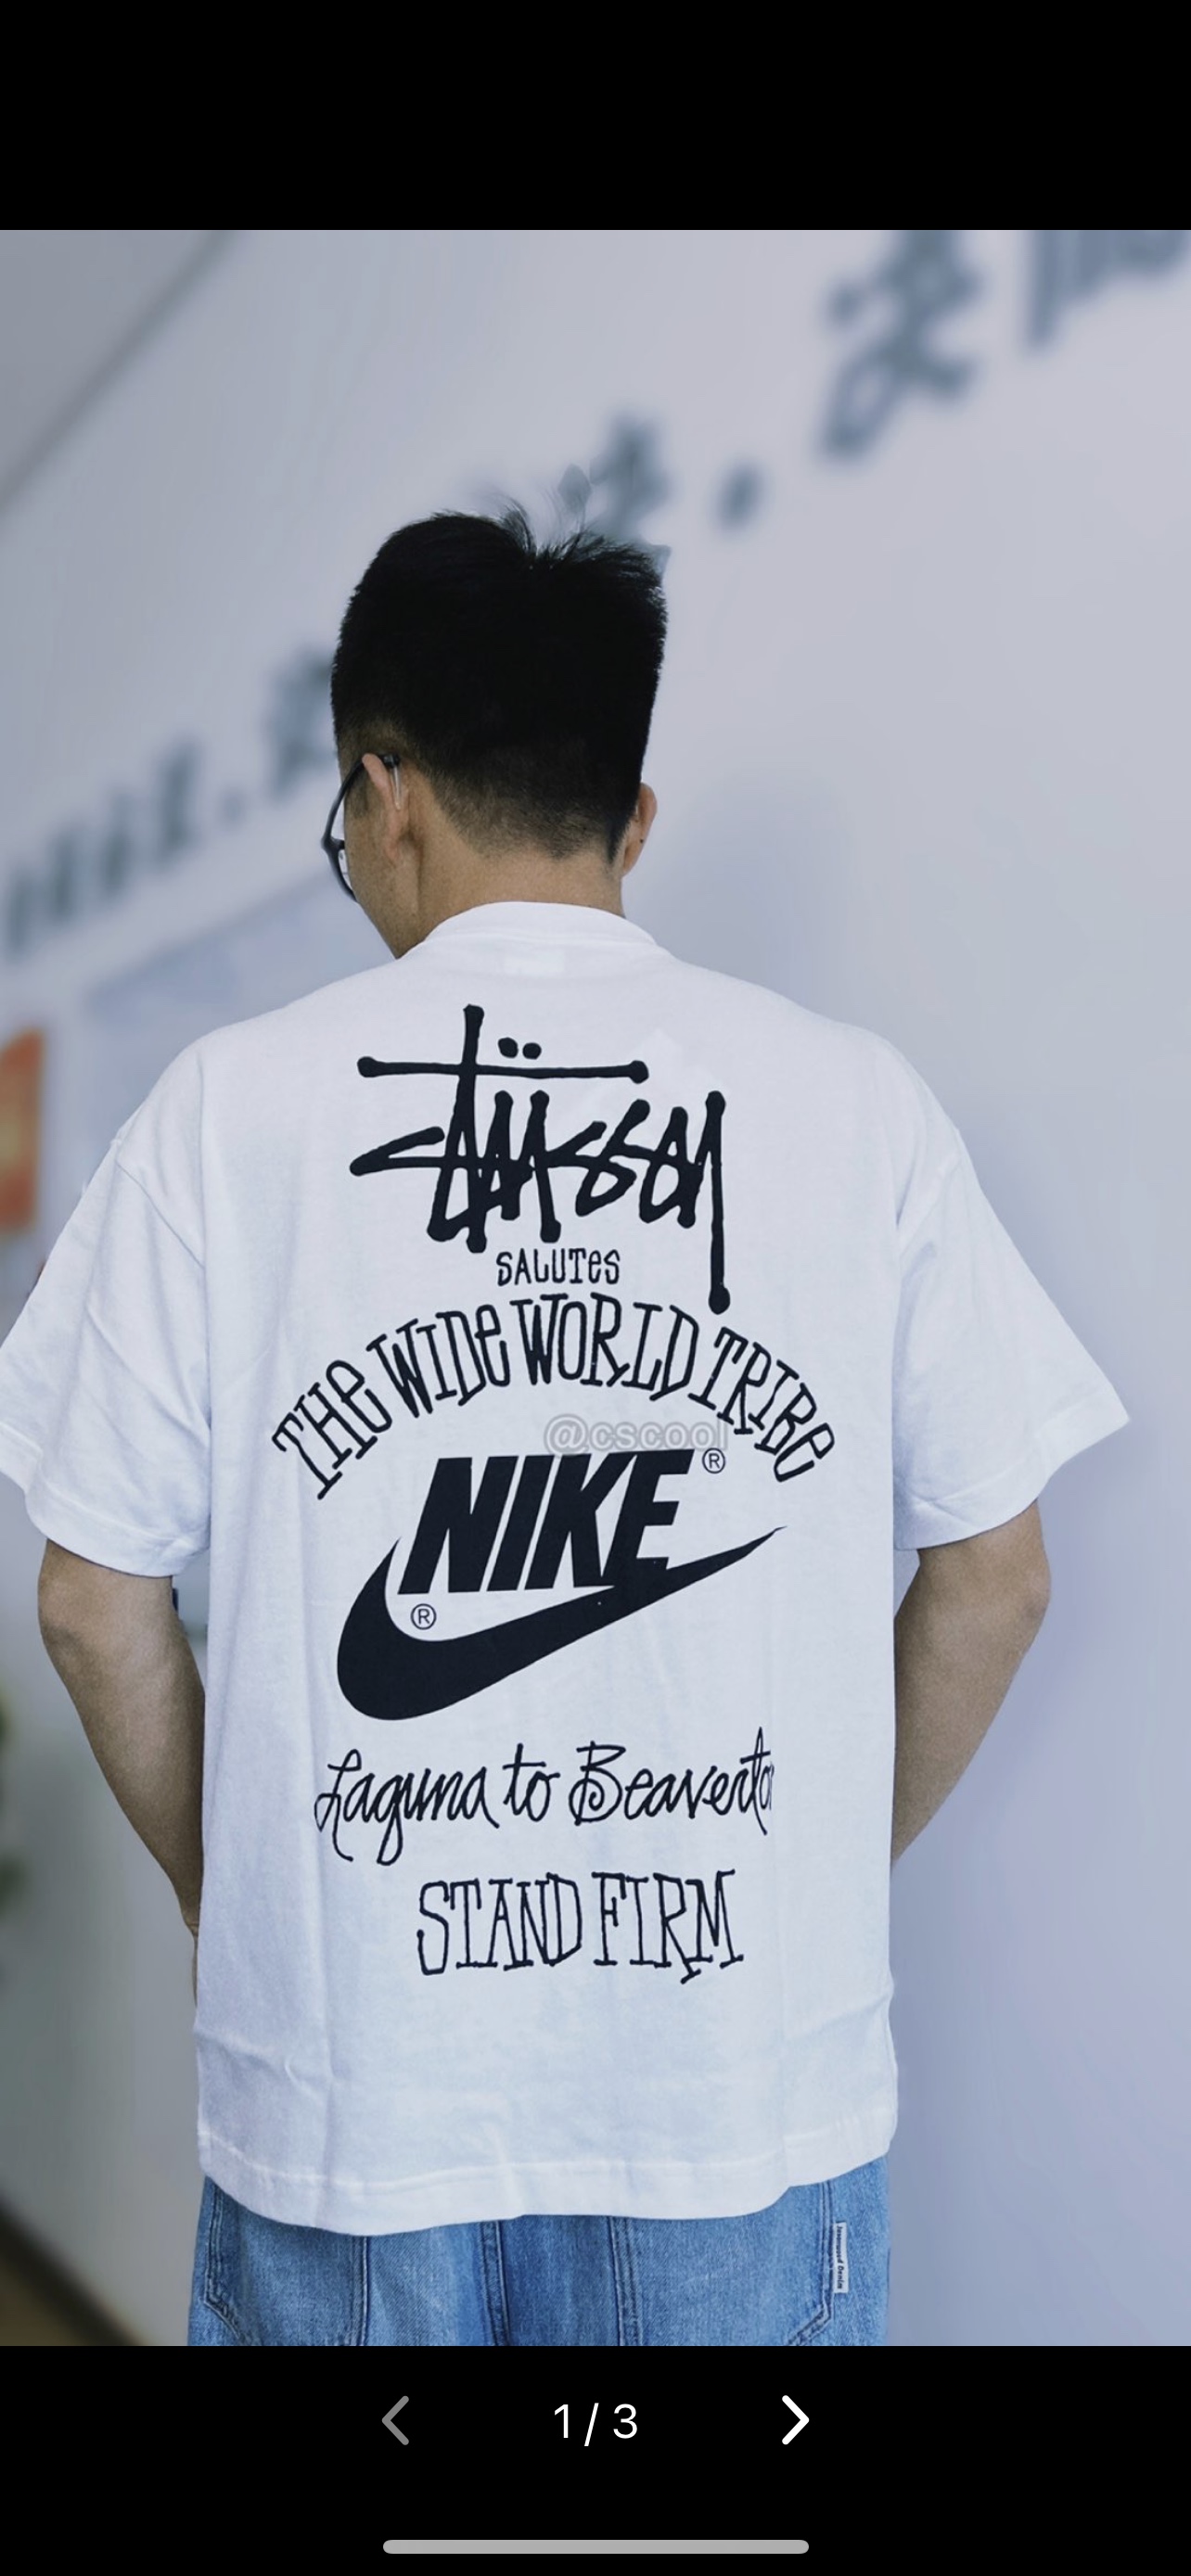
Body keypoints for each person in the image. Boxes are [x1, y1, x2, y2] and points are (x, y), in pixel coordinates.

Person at [0, 510, 1128, 2350]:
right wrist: (800, 1878)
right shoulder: (859, 1112)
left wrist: (251, 1893)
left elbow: (88, 1598)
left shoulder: (225, 1115)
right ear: (632, 818)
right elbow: (997, 1578)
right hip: (738, 2119)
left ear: (385, 796)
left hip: (353, 2125)